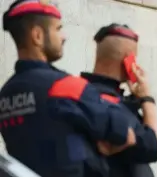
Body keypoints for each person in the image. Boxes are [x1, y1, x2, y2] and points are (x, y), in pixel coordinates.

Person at [0, 1, 136, 176]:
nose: (64, 36)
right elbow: (131, 136)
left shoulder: (5, 95)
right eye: (58, 29)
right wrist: (146, 99)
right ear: (38, 36)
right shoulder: (66, 86)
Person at [80, 23, 157, 177]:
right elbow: (155, 147)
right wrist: (147, 98)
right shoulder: (112, 104)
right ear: (129, 60)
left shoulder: (84, 93)